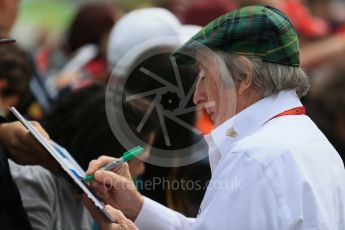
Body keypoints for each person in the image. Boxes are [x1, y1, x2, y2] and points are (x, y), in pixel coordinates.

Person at [84, 5, 345, 229]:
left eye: (204, 76)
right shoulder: (314, 143)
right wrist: (137, 207)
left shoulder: (254, 155)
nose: (196, 96)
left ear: (243, 77)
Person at [9, 84, 158, 230]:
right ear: (106, 154)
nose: (141, 169)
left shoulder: (85, 199)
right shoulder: (35, 183)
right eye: (140, 161)